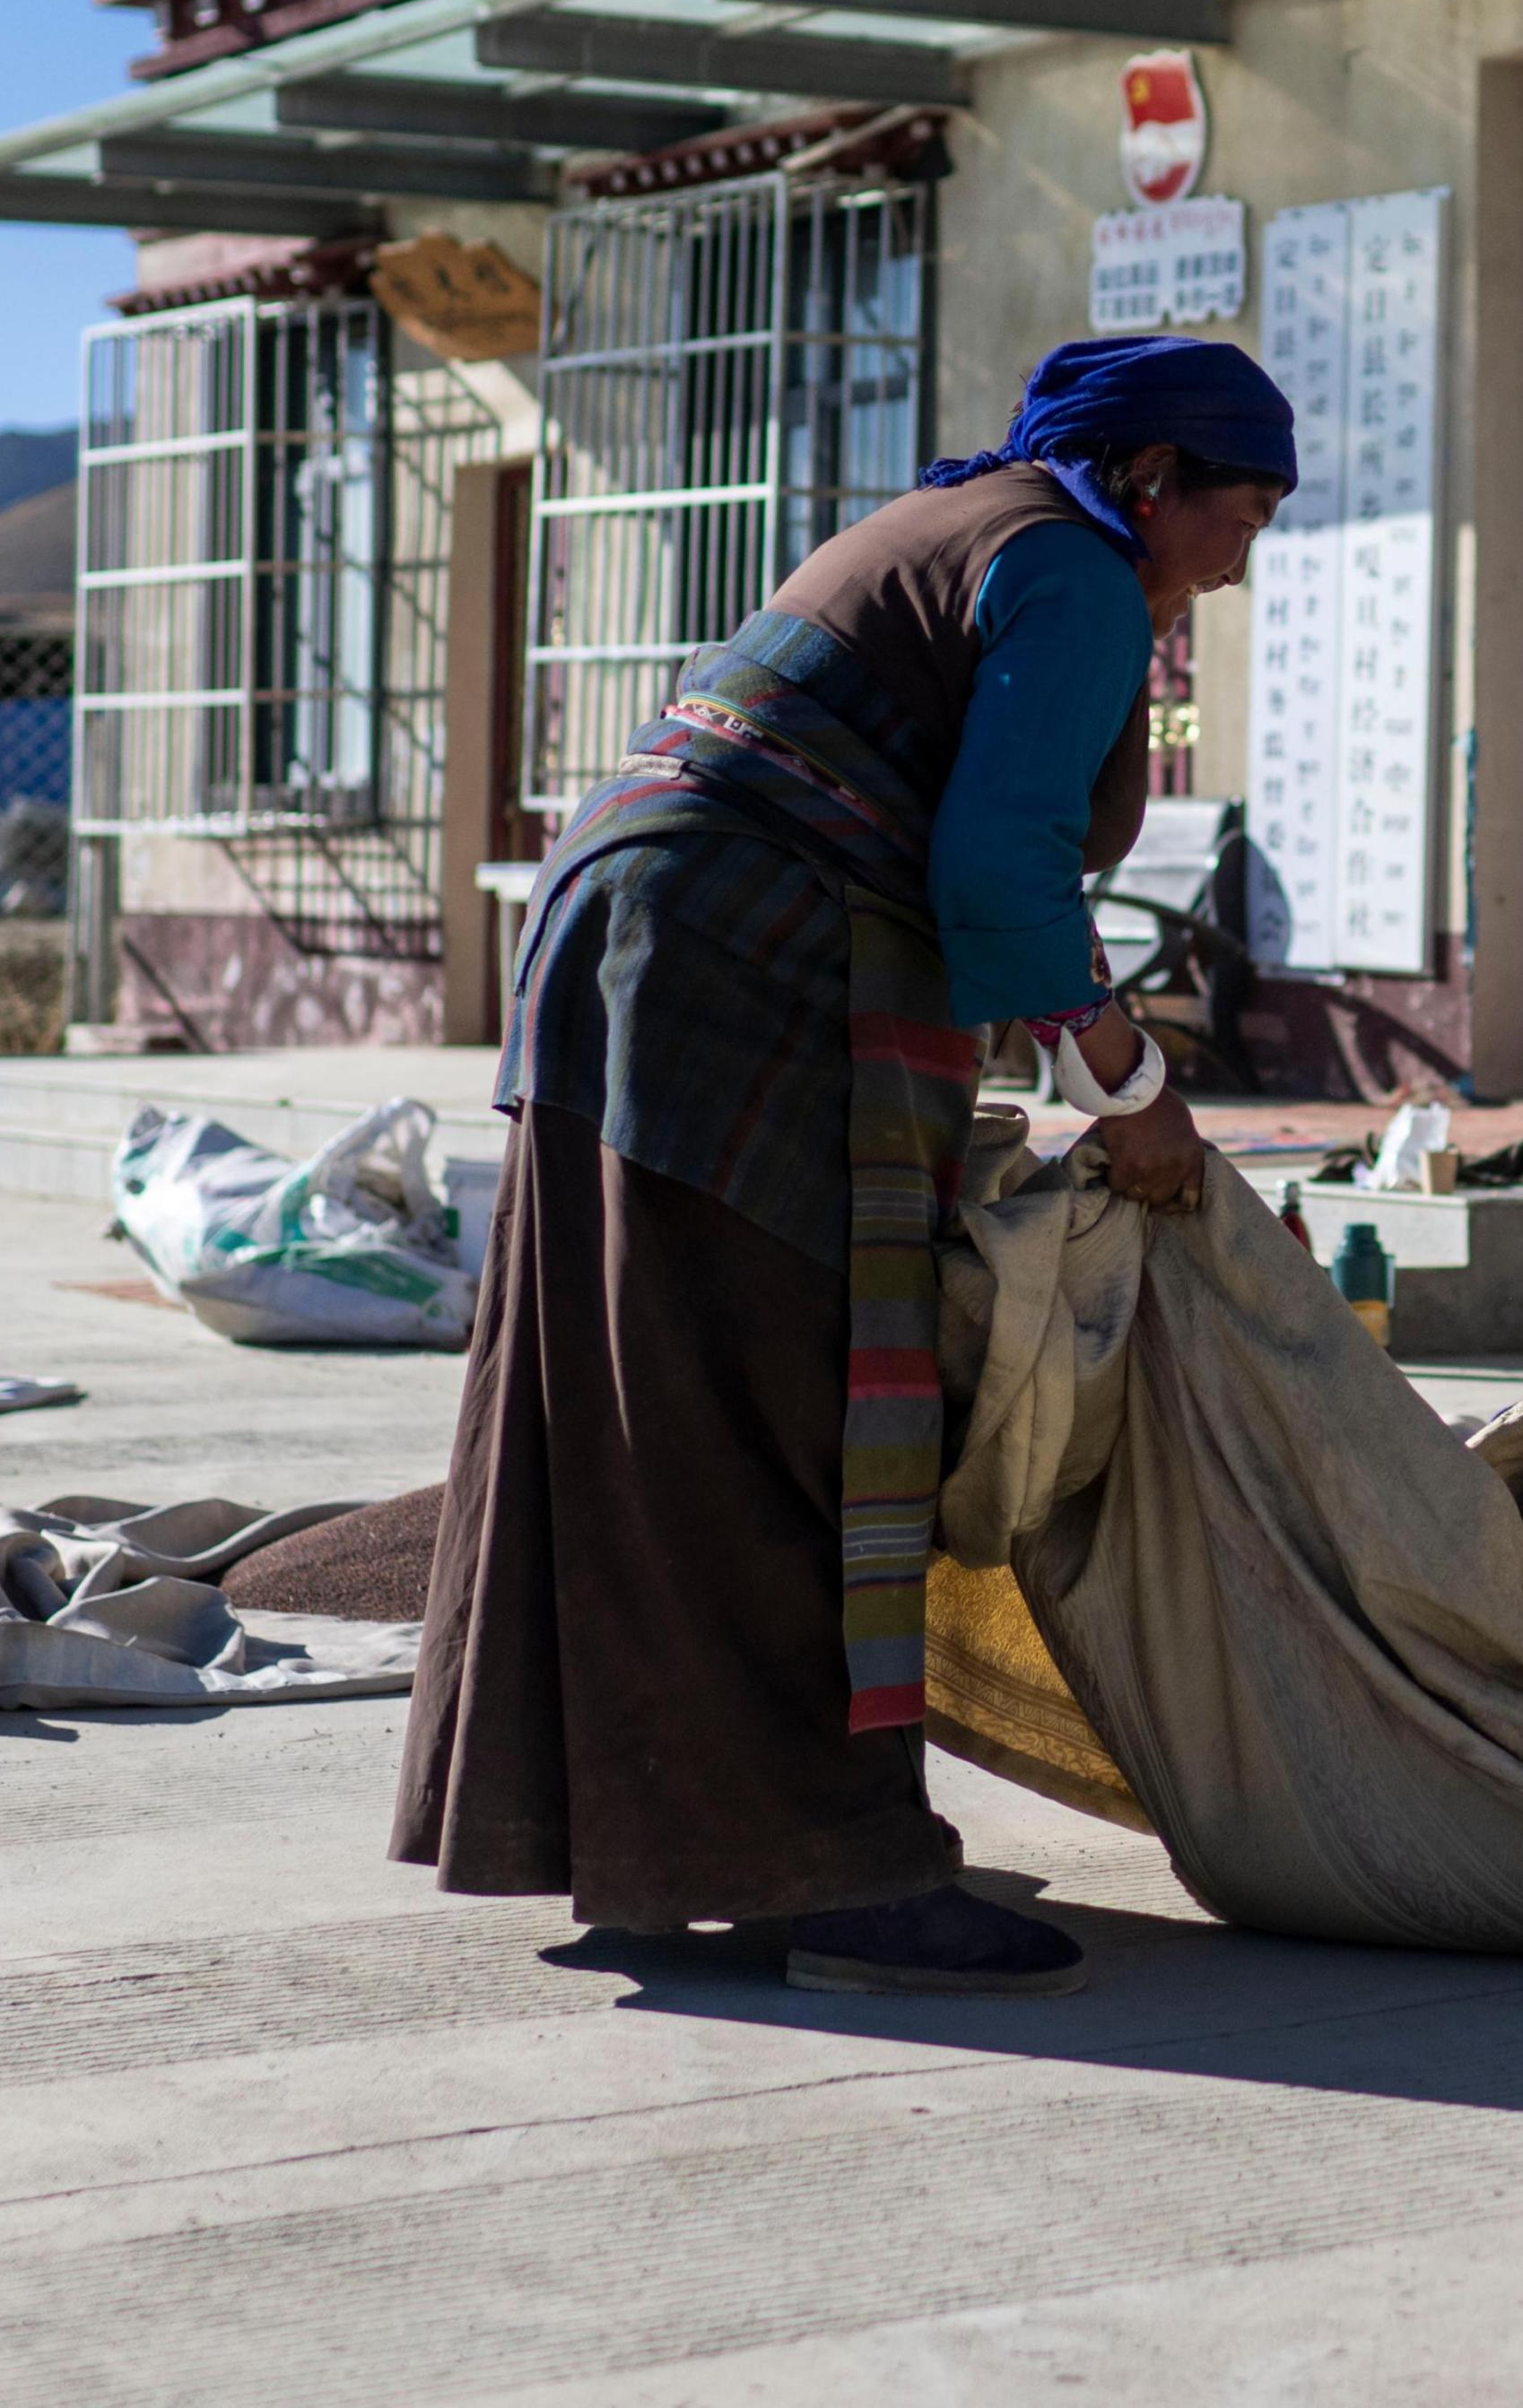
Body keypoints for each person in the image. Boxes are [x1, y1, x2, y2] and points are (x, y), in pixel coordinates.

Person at [394, 334, 1290, 1995]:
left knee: (646, 1401)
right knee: (794, 1413)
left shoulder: (966, 527)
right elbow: (1002, 869)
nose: (1237, 562)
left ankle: (661, 1851)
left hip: (632, 933)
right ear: (1152, 475)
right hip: (744, 964)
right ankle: (833, 1870)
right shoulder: (1073, 568)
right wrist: (1129, 1086)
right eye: (1238, 516)